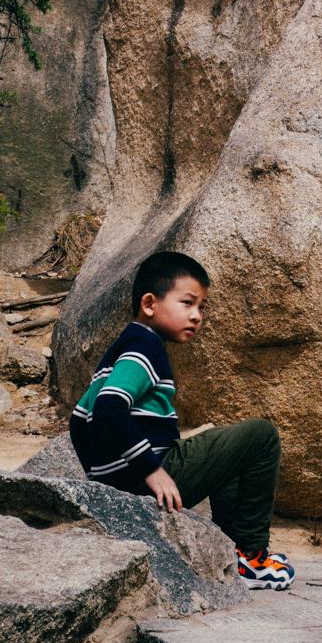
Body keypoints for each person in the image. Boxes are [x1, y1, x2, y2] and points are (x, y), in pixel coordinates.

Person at [69, 250, 296, 591]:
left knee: (228, 448)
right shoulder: (144, 345)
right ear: (149, 303)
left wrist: (101, 478)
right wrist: (151, 470)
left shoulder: (122, 346)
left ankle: (230, 547)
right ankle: (252, 555)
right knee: (261, 436)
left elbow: (78, 419)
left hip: (123, 484)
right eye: (187, 303)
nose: (197, 316)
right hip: (147, 480)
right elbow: (108, 408)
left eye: (202, 307)